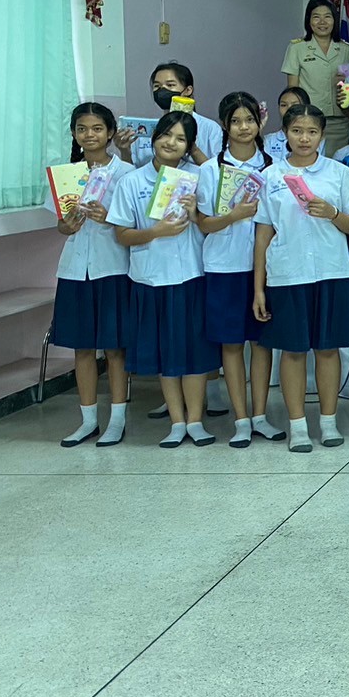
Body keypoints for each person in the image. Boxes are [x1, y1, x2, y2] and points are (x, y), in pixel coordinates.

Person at [253, 104, 349, 453]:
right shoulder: (271, 176)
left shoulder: (338, 173)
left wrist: (332, 213)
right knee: (293, 351)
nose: (304, 138)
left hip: (332, 271)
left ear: (322, 135)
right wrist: (258, 288)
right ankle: (297, 426)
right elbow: (263, 234)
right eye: (297, 131)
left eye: (312, 132)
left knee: (328, 349)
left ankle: (329, 422)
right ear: (285, 133)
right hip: (287, 274)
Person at [107, 112, 220, 449]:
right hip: (151, 279)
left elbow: (214, 227)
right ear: (154, 138)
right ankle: (176, 422)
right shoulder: (132, 181)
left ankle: (196, 421)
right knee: (166, 354)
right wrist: (156, 232)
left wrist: (196, 213)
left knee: (194, 353)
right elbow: (122, 235)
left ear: (189, 146)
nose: (171, 143)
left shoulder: (199, 177)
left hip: (192, 275)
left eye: (181, 138)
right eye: (166, 135)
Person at [196, 92, 281, 448]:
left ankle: (260, 416)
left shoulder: (275, 167)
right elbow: (203, 223)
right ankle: (241, 420)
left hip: (267, 268)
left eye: (249, 120)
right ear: (224, 125)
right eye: (235, 121)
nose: (243, 127)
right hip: (224, 266)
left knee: (262, 343)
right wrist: (234, 216)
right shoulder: (210, 170)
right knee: (231, 344)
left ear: (260, 123)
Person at [51, 103, 135, 448]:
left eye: (97, 128)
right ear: (74, 134)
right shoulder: (65, 175)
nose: (90, 135)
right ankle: (88, 421)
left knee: (115, 349)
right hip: (75, 269)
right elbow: (61, 224)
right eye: (82, 129)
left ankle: (117, 420)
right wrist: (68, 225)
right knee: (82, 348)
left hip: (113, 267)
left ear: (110, 132)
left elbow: (135, 222)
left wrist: (108, 217)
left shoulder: (126, 173)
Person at [283, 0, 349, 154]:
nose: (322, 22)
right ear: (308, 20)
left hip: (339, 121)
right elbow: (293, 89)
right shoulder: (297, 48)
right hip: (308, 119)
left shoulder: (345, 49)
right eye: (316, 17)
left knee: (337, 162)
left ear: (334, 20)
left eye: (327, 17)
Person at [115, 62, 223, 167]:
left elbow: (217, 172)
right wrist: (124, 150)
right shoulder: (146, 129)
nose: (162, 90)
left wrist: (193, 150)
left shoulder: (210, 128)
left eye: (170, 85)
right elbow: (132, 170)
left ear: (188, 90)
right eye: (157, 86)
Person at [264, 86, 309, 160]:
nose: (289, 109)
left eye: (294, 105)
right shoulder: (269, 140)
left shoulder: (313, 138)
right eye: (284, 105)